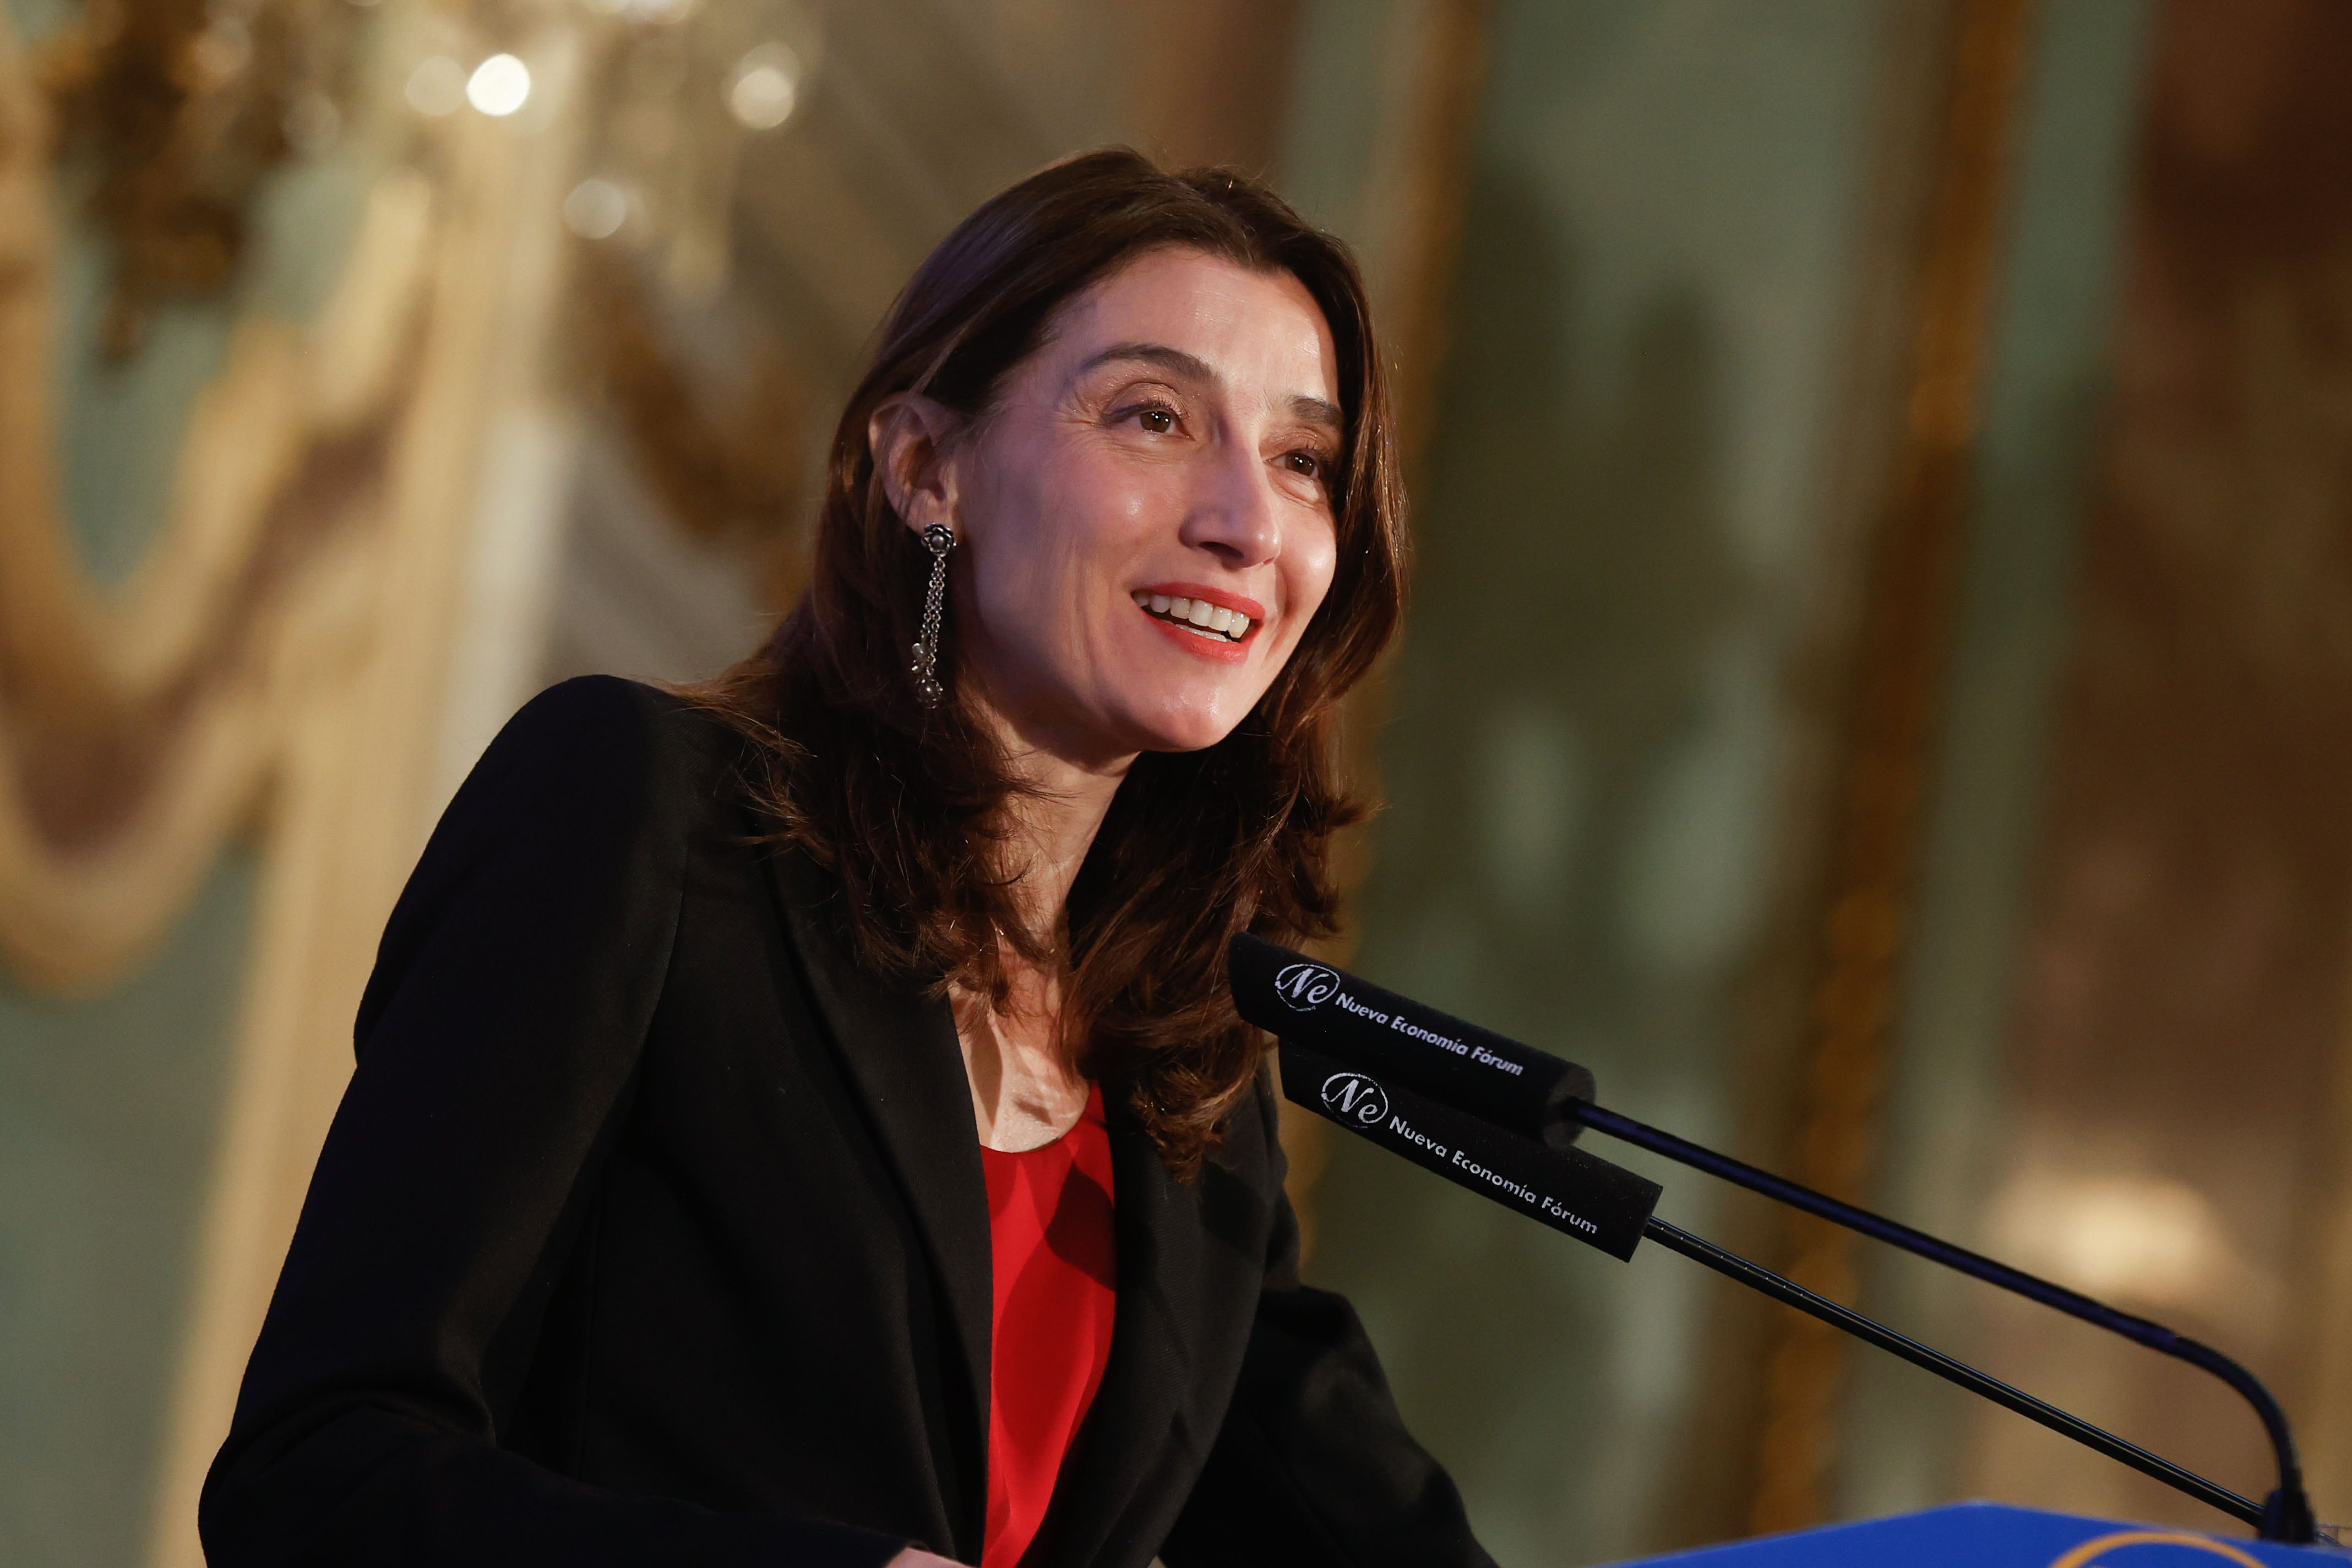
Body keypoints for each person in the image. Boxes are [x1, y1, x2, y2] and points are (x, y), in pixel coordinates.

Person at [200, 148, 1494, 1568]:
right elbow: (317, 1479)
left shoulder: (1186, 1083)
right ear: (929, 468)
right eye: (1154, 417)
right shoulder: (647, 817)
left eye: (1303, 460)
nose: (1246, 521)